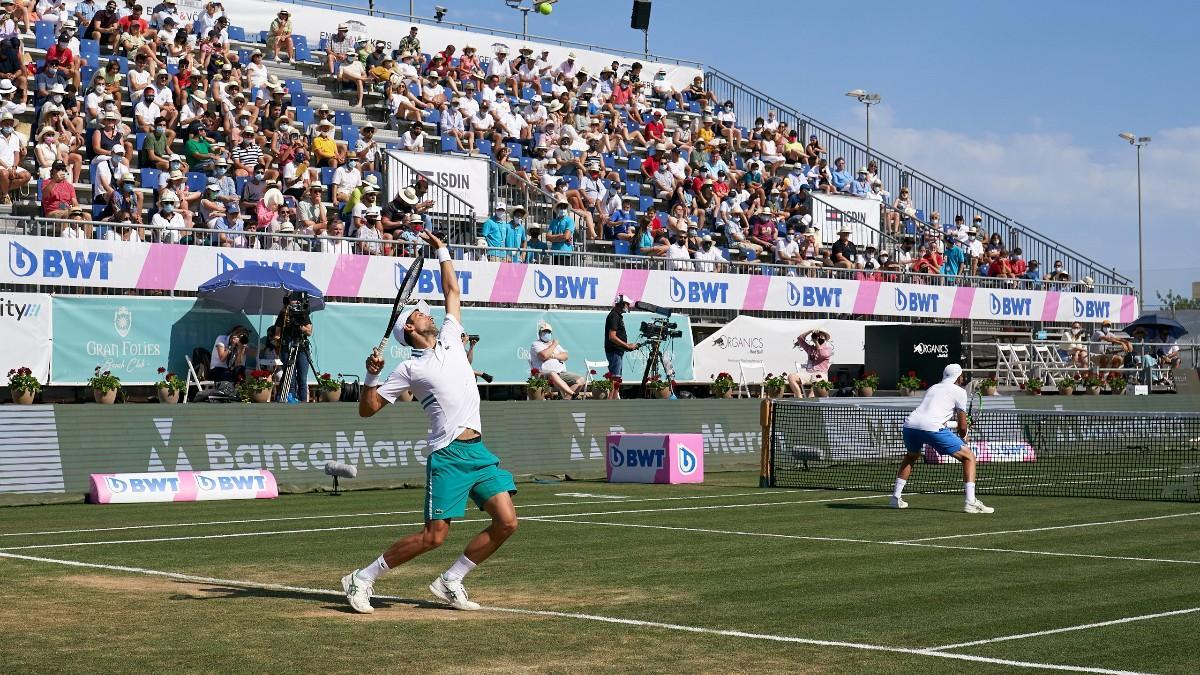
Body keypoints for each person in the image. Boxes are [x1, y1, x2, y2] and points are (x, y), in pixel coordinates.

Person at [345, 231, 518, 614]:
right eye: (420, 313)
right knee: (434, 537)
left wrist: (441, 250)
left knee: (507, 522)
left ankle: (451, 580)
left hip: (478, 452)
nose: (429, 313)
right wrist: (371, 376)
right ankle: (362, 577)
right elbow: (367, 410)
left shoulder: (452, 336)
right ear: (409, 328)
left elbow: (452, 289)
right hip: (449, 455)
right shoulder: (408, 369)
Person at [891, 363, 995, 514]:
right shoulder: (960, 392)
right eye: (962, 375)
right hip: (931, 427)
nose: (962, 378)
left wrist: (959, 427)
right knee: (969, 457)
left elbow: (939, 420)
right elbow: (962, 426)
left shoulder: (933, 388)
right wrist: (964, 435)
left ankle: (895, 498)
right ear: (959, 377)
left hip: (910, 425)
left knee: (911, 456)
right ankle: (970, 502)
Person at [530, 320, 585, 399]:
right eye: (544, 332)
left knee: (581, 380)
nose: (547, 334)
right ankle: (573, 394)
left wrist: (552, 355)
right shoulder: (536, 344)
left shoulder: (553, 344)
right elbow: (544, 355)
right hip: (544, 374)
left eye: (548, 332)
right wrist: (554, 344)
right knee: (552, 373)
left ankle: (566, 400)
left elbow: (565, 356)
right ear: (539, 333)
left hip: (561, 373)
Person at [603, 294, 640, 400]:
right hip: (614, 351)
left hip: (617, 351)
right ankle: (610, 403)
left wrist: (627, 347)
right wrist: (627, 345)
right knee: (615, 377)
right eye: (627, 304)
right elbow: (612, 337)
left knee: (616, 377)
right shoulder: (614, 316)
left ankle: (614, 401)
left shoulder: (616, 315)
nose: (629, 306)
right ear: (622, 304)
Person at [787, 329, 832, 398]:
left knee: (816, 380)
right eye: (817, 336)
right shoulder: (810, 348)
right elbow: (800, 339)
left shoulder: (827, 349)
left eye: (821, 336)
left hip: (820, 373)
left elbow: (822, 354)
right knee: (791, 377)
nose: (819, 337)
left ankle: (810, 399)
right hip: (809, 374)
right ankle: (800, 398)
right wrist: (811, 331)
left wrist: (816, 342)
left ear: (825, 338)